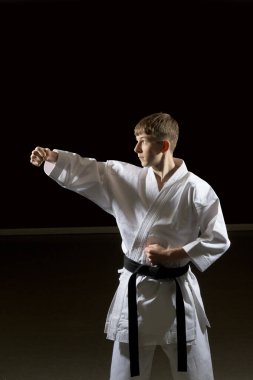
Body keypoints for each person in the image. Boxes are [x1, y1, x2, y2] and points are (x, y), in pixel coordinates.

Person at [30, 112, 230, 380]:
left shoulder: (198, 189)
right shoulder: (126, 178)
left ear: (164, 145)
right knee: (125, 373)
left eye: (143, 141)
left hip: (178, 297)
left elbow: (218, 238)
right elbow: (91, 170)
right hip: (136, 292)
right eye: (136, 141)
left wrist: (173, 253)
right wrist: (54, 157)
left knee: (196, 372)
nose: (135, 149)